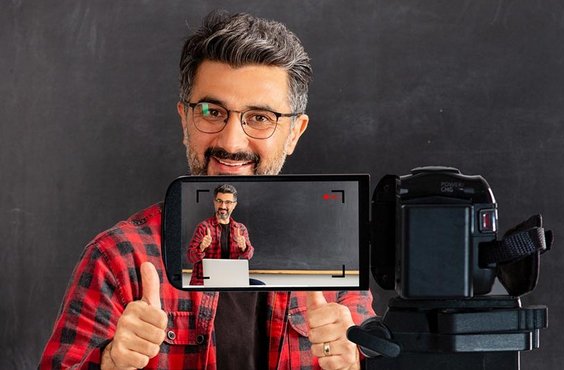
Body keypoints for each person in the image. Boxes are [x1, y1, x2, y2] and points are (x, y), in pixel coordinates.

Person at [40, 11, 373, 369]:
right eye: (212, 112)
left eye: (260, 118)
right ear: (185, 118)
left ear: (294, 132)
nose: (231, 142)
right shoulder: (117, 259)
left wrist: (354, 362)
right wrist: (110, 363)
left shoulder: (335, 264)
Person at [188, 184, 255, 286]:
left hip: (231, 282)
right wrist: (201, 247)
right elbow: (190, 257)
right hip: (205, 284)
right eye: (219, 201)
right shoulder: (203, 227)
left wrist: (244, 247)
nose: (223, 206)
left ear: (234, 205)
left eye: (228, 202)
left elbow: (249, 255)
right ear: (214, 202)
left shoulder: (240, 229)